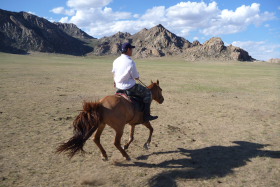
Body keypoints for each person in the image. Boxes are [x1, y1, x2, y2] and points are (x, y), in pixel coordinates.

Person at [112, 42, 158, 122]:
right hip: (129, 87)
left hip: (118, 86)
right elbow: (136, 76)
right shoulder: (131, 62)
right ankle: (147, 116)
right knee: (148, 93)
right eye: (131, 49)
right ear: (128, 49)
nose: (132, 51)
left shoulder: (116, 61)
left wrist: (115, 81)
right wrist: (137, 76)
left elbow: (114, 73)